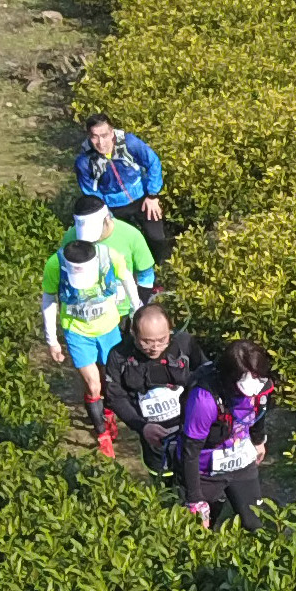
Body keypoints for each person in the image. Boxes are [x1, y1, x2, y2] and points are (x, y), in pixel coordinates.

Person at [41, 237, 139, 456]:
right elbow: (49, 300)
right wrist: (52, 340)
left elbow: (126, 279)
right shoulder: (54, 265)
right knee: (93, 385)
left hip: (109, 329)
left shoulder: (109, 257)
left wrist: (137, 310)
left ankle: (108, 412)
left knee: (109, 380)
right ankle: (102, 433)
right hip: (77, 333)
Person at [180, 338, 279, 527]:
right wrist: (195, 498)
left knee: (256, 525)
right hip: (205, 471)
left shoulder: (262, 386)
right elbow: (190, 451)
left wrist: (258, 440)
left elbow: (260, 410)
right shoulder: (204, 400)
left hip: (241, 462)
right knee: (198, 531)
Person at [105, 303, 198, 477]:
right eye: (146, 342)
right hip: (153, 439)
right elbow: (115, 396)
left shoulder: (184, 344)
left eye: (162, 340)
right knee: (163, 482)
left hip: (191, 431)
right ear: (134, 333)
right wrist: (142, 427)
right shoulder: (119, 355)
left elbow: (206, 375)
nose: (155, 347)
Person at [75, 114, 171, 256]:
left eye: (105, 135)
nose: (101, 142)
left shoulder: (129, 143)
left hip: (142, 197)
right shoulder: (84, 161)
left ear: (112, 132)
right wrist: (106, 214)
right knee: (124, 244)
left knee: (157, 238)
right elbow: (90, 192)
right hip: (113, 206)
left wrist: (153, 195)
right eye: (95, 137)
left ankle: (162, 269)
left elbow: (153, 162)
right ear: (89, 136)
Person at [64, 199, 155, 302]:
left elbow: (146, 275)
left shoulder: (131, 234)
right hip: (82, 310)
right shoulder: (69, 237)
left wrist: (138, 306)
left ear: (107, 218)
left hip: (122, 310)